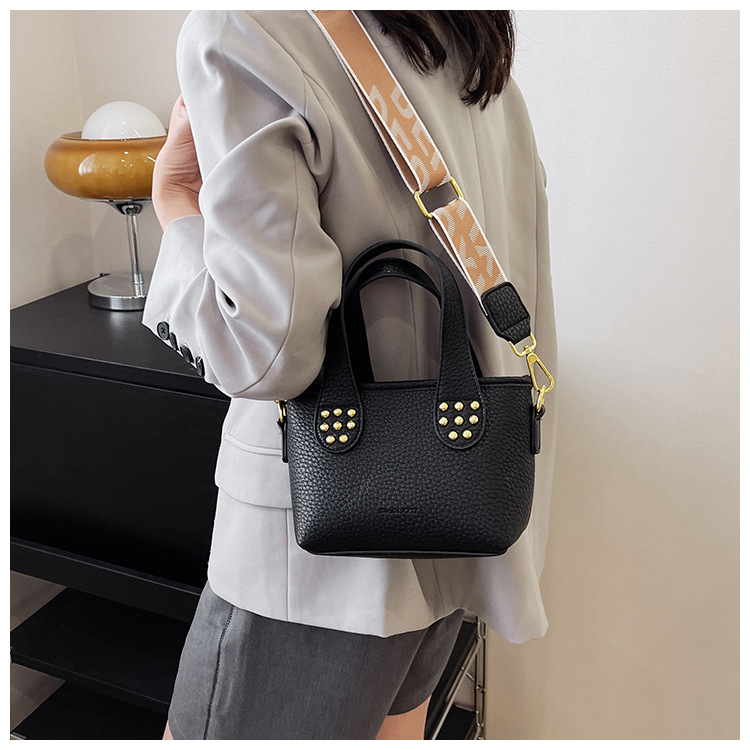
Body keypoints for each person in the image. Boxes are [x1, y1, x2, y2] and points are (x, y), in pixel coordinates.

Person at [142, 9, 557, 741]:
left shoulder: (246, 25)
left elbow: (264, 351)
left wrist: (175, 204)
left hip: (318, 557)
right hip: (460, 503)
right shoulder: (461, 30)